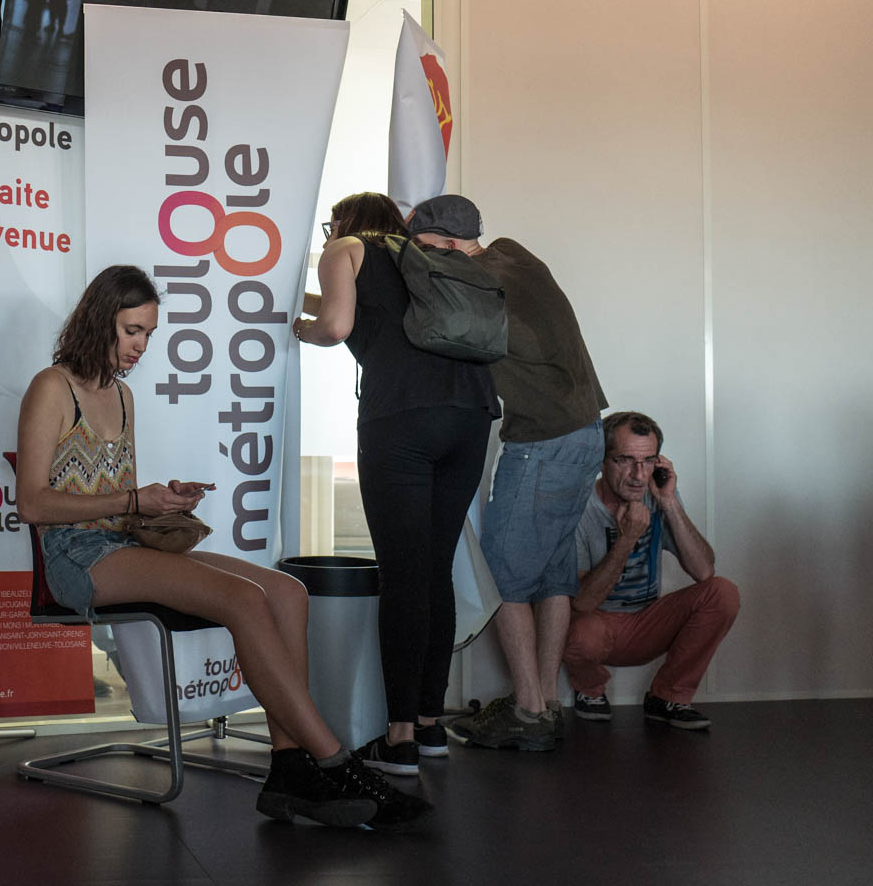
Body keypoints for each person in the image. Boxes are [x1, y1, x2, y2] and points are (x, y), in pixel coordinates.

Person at [17, 265, 429, 829]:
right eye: (132, 330)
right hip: (74, 559)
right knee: (243, 599)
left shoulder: (123, 395)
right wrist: (136, 500)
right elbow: (34, 505)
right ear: (99, 321)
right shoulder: (52, 386)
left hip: (123, 543)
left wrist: (162, 502)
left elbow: (120, 500)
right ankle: (331, 759)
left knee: (287, 591)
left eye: (148, 334)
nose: (141, 346)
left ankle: (288, 766)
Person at [295, 193, 501, 777]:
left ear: (342, 224)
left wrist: (298, 327)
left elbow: (336, 325)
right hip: (471, 416)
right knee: (435, 569)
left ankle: (399, 737)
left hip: (402, 420)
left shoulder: (346, 249)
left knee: (403, 574)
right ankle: (431, 725)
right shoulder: (425, 262)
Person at [407, 193, 606, 751]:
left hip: (543, 441)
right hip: (585, 432)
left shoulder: (478, 290)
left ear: (447, 244)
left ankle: (526, 710)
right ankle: (542, 704)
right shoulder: (515, 255)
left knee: (503, 576)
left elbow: (432, 328)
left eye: (425, 251)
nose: (424, 263)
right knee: (551, 576)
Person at [567, 411, 739, 729]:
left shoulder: (657, 496)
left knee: (722, 592)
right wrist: (627, 538)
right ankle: (589, 689)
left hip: (647, 623)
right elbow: (580, 604)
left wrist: (670, 502)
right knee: (576, 628)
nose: (638, 474)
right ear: (601, 461)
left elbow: (703, 571)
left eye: (648, 462)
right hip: (595, 626)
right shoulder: (578, 507)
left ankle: (667, 697)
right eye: (625, 460)